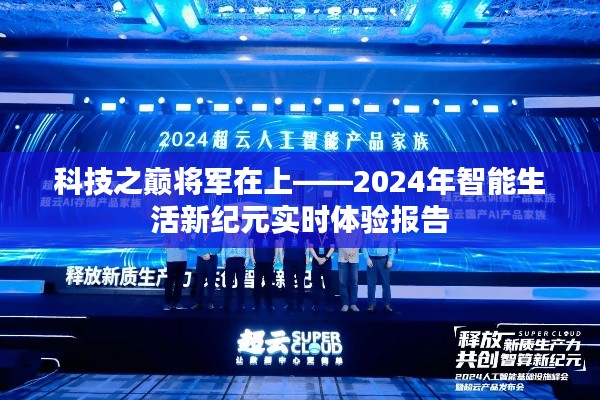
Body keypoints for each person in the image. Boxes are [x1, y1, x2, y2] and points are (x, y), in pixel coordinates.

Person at [249, 213, 278, 312]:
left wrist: (276, 256)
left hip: (269, 261)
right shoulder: (255, 229)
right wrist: (252, 257)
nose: (265, 219)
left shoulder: (273, 229)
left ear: (270, 218)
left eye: (267, 217)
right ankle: (256, 305)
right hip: (258, 261)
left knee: (268, 284)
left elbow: (276, 244)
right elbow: (250, 244)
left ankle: (269, 305)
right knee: (257, 284)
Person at [191, 222, 223, 311]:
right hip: (201, 258)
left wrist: (209, 253)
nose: (208, 222)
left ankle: (210, 302)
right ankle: (198, 303)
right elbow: (196, 245)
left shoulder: (217, 233)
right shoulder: (199, 232)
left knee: (211, 281)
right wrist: (202, 254)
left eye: (210, 220)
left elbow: (218, 246)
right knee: (199, 281)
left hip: (212, 258)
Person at [221, 220, 250, 311]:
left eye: (238, 223)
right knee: (228, 283)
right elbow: (223, 248)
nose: (236, 224)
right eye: (235, 223)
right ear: (232, 224)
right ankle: (226, 304)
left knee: (241, 284)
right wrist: (223, 260)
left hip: (241, 261)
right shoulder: (227, 235)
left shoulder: (244, 235)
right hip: (229, 261)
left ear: (241, 224)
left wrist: (247, 260)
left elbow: (247, 248)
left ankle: (241, 304)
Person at [362, 232, 395, 312]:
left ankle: (387, 304)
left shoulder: (388, 233)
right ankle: (371, 304)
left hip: (384, 260)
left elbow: (391, 246)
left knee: (386, 283)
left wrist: (390, 260)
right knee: (371, 283)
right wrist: (367, 258)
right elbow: (364, 246)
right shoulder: (368, 233)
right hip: (371, 260)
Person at [280, 229, 309, 312]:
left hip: (301, 259)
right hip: (288, 259)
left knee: (300, 282)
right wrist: (281, 255)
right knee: (288, 282)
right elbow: (281, 243)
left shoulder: (304, 229)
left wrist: (307, 255)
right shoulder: (286, 229)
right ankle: (289, 303)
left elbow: (307, 243)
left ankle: (300, 304)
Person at [307, 227, 335, 312]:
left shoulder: (330, 234)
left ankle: (329, 305)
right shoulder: (314, 234)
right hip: (316, 262)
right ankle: (315, 305)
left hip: (327, 262)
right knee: (316, 284)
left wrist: (325, 258)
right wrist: (317, 258)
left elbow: (332, 248)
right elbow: (311, 247)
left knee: (328, 284)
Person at [336, 229, 363, 312]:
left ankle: (353, 304)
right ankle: (345, 303)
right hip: (342, 257)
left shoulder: (358, 228)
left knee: (354, 282)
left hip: (354, 258)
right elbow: (338, 241)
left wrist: (353, 252)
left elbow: (359, 241)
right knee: (342, 282)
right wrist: (348, 252)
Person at [163, 231, 190, 311]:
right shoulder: (170, 231)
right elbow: (165, 243)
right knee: (169, 282)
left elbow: (188, 244)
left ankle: (177, 302)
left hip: (182, 259)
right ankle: (167, 303)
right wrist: (169, 249)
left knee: (179, 282)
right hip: (171, 260)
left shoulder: (186, 232)